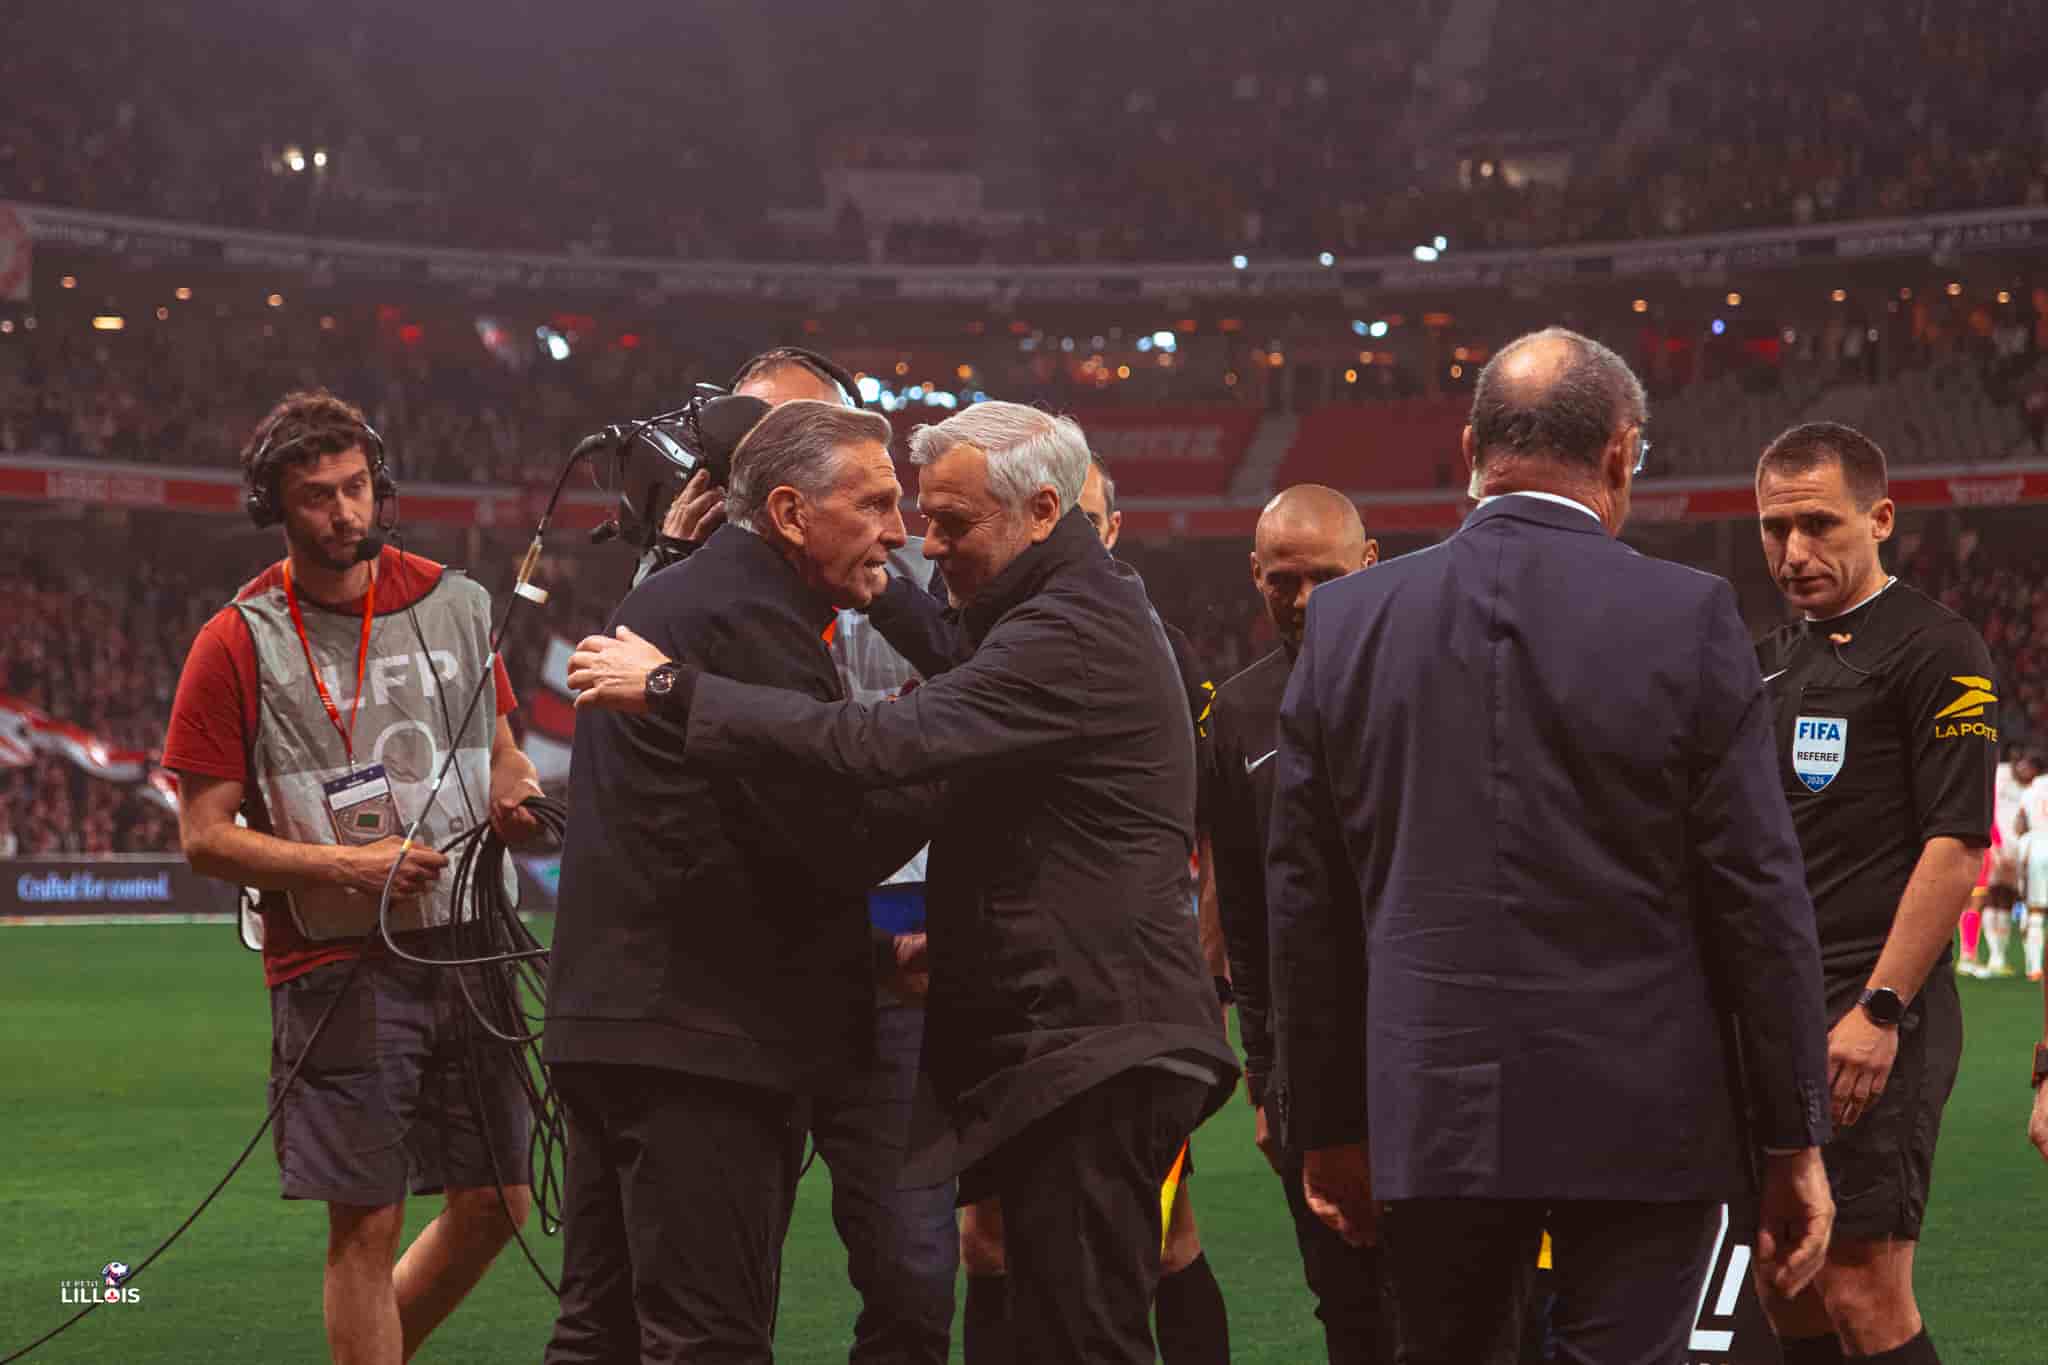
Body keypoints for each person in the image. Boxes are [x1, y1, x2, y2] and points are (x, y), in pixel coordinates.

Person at [568, 401, 1240, 1365]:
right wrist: (876, 593)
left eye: (949, 525)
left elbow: (884, 741)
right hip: (1083, 1038)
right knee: (1060, 1326)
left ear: (1043, 510)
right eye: (905, 514)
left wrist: (675, 687)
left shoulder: (1070, 631)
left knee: (1083, 1338)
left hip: (1097, 1038)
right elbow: (957, 659)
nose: (923, 544)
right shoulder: (1068, 606)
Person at [1268, 328, 1835, 1365]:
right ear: (1620, 454)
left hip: (1425, 1107)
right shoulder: (1686, 614)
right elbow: (1756, 894)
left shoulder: (1345, 622)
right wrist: (1792, 1135)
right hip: (1639, 1114)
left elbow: (1306, 907)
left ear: (1469, 446)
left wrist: (1324, 1121)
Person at [543, 400, 936, 1363]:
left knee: (602, 1332)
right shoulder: (751, 614)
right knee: (705, 1337)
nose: (899, 530)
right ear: (793, 513)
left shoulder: (688, 596)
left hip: (616, 1025)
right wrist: (942, 753)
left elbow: (733, 835)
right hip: (703, 1047)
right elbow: (833, 836)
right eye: (876, 504)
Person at [164, 389, 545, 1365]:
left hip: (472, 948)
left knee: (502, 1199)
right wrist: (350, 863)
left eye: (356, 487)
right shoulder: (236, 640)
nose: (344, 513)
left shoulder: (459, 606)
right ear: (274, 508)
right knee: (365, 1225)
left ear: (382, 485)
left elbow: (503, 753)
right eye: (317, 497)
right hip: (337, 964)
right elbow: (203, 837)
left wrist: (517, 797)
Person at [646, 348, 961, 1363]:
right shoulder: (690, 577)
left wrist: (876, 589)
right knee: (721, 1282)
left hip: (895, 967)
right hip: (744, 975)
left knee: (913, 1276)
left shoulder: (896, 569)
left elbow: (981, 692)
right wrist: (665, 559)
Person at [948, 452, 1232, 1365]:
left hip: (1108, 1005)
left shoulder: (1143, 648)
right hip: (1040, 1011)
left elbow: (1205, 817)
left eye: (1093, 516)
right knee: (996, 1242)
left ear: (1106, 528)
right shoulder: (1008, 632)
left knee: (1159, 1237)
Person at [1752, 421, 1996, 1365]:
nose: (1795, 550)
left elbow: (1955, 848)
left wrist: (1881, 1008)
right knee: (1788, 1277)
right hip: (1777, 1015)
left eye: (1819, 523)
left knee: (1860, 1283)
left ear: (1880, 516)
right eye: (1775, 527)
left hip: (1874, 1011)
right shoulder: (1765, 657)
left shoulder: (1938, 647)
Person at [1205, 484, 1389, 1363]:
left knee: (1451, 1303)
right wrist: (1265, 1069)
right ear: (1254, 576)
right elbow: (1241, 903)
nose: (1304, 600)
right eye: (1282, 579)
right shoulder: (1238, 712)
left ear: (1370, 563)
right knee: (1344, 1302)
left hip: (1427, 1052)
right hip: (1308, 1066)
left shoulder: (1428, 681)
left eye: (1324, 576)